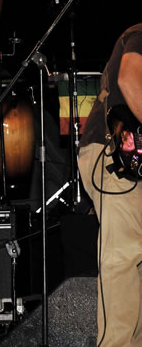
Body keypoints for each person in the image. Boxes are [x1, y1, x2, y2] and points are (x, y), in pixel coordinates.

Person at [77, 23, 142, 346]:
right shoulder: (141, 34)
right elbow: (128, 79)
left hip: (130, 161)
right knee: (124, 257)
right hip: (113, 155)